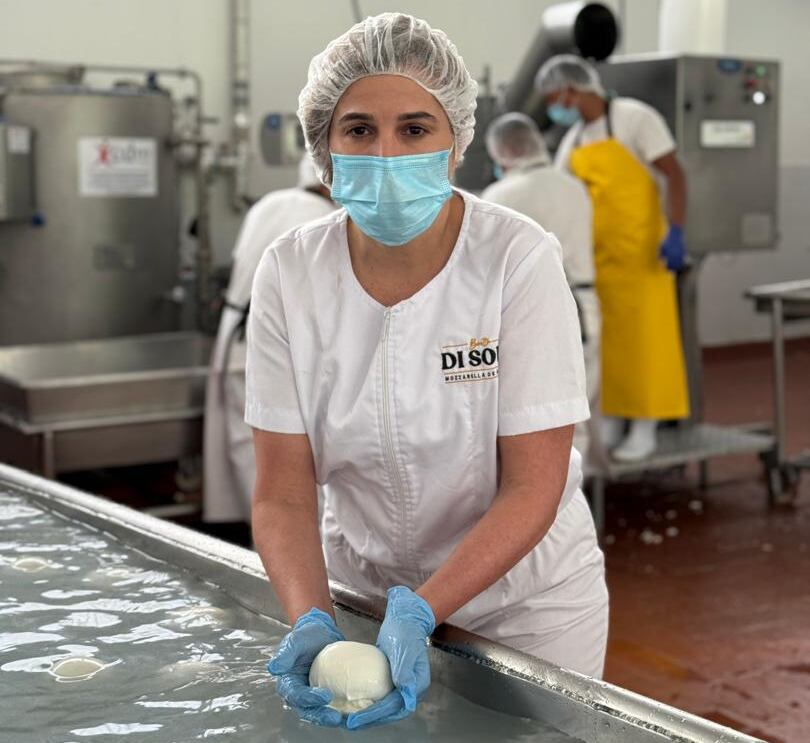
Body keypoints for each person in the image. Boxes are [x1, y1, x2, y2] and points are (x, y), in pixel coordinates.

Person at [248, 14, 607, 730]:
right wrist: (313, 618)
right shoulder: (290, 272)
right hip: (360, 595)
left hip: (525, 609)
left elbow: (534, 484)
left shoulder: (516, 260)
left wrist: (424, 609)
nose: (385, 154)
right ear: (324, 143)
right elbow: (283, 490)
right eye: (358, 131)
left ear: (455, 142)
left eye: (414, 129)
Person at [537, 54, 690, 462]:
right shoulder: (575, 141)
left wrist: (676, 230)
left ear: (572, 90)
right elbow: (562, 192)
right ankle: (618, 418)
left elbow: (674, 172)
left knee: (647, 340)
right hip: (600, 257)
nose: (554, 108)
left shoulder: (635, 118)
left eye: (554, 98)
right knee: (611, 345)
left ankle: (647, 425)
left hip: (644, 252)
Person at [203, 153, 334, 525]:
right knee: (293, 459)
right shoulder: (323, 218)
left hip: (236, 335)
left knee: (246, 448)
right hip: (281, 340)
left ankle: (259, 547)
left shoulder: (269, 204)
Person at [482, 112, 602, 467]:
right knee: (577, 412)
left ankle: (536, 509)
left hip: (527, 312)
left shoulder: (500, 196)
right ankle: (580, 509)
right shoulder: (573, 185)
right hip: (585, 307)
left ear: (502, 154)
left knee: (531, 417)